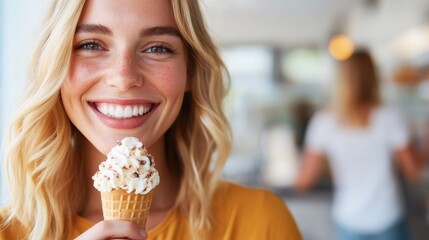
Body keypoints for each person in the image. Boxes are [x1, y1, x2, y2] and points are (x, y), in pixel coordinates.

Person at [0, 0, 302, 239]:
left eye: (158, 48)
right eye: (91, 44)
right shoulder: (8, 231)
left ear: (191, 73)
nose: (124, 77)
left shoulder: (260, 224)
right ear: (55, 63)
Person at [294, 50, 422, 240]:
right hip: (387, 216)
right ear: (374, 77)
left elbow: (304, 181)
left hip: (348, 219)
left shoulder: (323, 121)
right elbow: (414, 171)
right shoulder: (390, 116)